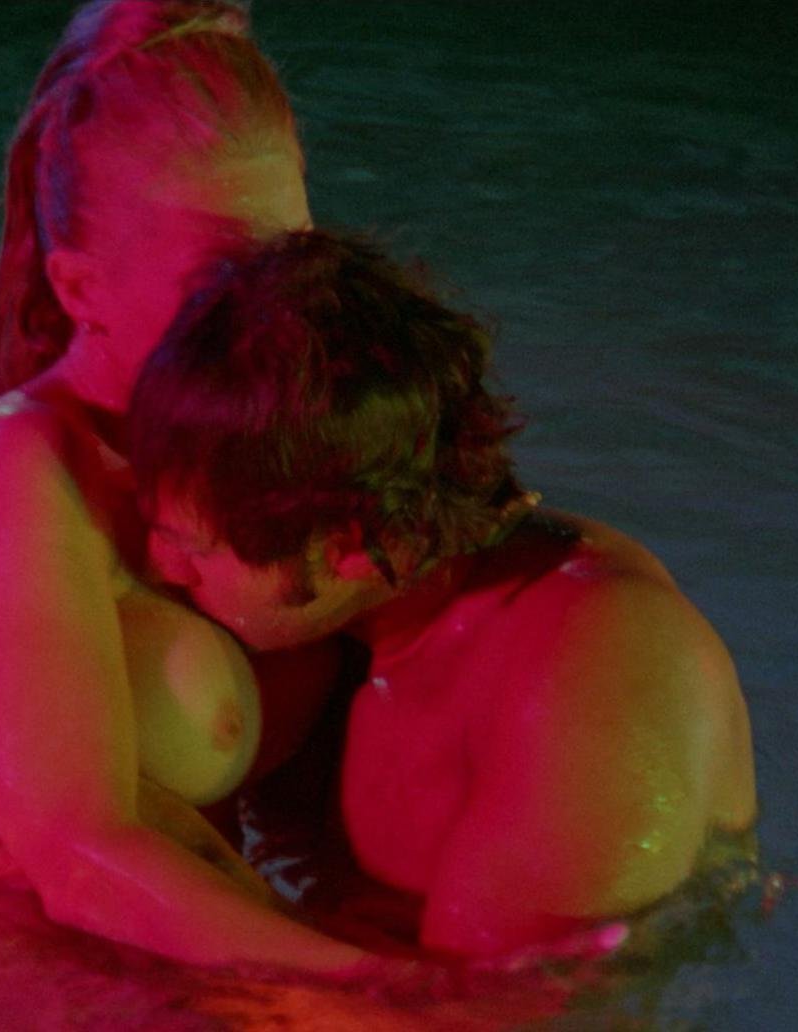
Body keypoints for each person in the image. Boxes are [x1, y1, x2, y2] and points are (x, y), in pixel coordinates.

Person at [0, 0, 382, 974]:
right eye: (220, 279)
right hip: (8, 993)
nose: (277, 310)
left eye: (289, 256)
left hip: (210, 978)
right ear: (82, 290)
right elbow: (79, 862)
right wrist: (385, 1001)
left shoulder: (320, 426)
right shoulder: (22, 471)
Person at [126, 229, 760, 955]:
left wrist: (153, 849)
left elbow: (496, 1008)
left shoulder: (600, 665)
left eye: (193, 549)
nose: (162, 567)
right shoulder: (342, 629)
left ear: (350, 546)